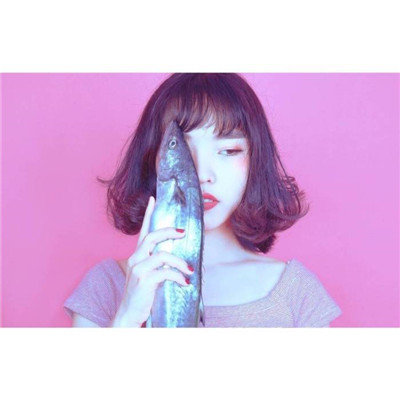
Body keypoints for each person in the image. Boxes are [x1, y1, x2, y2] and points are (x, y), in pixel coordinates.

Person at [64, 73, 341, 327]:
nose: (201, 175)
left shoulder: (296, 294)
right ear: (152, 160)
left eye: (229, 150)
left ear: (255, 161)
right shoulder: (106, 287)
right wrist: (126, 318)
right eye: (182, 150)